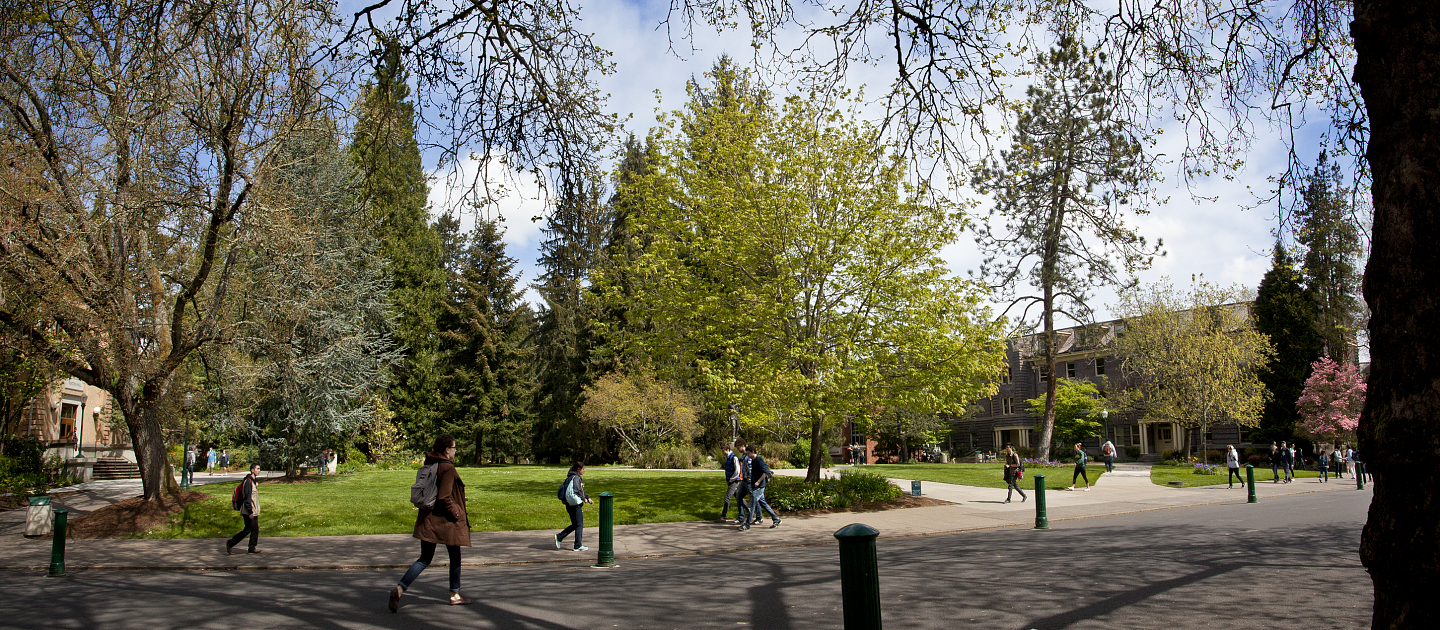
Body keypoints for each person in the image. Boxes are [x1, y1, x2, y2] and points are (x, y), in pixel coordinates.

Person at [389, 434, 473, 611]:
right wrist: (456, 512)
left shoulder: (431, 464)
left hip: (428, 518)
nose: (455, 451)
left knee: (424, 558)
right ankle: (455, 594)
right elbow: (444, 496)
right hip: (446, 521)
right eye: (454, 447)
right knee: (455, 556)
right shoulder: (447, 468)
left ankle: (399, 588)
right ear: (446, 450)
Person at [740, 444, 780, 530]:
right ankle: (776, 518)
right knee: (763, 504)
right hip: (755, 486)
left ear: (753, 452)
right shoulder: (754, 460)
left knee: (751, 505)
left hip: (759, 487)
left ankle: (747, 525)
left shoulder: (759, 460)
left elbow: (766, 472)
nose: (747, 455)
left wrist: (758, 481)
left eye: (748, 453)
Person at [555, 462, 593, 551]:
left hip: (569, 504)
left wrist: (587, 497)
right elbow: (577, 490)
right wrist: (584, 499)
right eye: (583, 469)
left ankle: (560, 537)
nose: (584, 471)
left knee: (575, 524)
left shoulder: (570, 477)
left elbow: (580, 491)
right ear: (578, 469)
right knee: (579, 524)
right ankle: (577, 545)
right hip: (575, 505)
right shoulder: (576, 478)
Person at [225, 464, 262, 555]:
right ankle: (231, 542)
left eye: (259, 469)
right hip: (248, 511)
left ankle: (252, 548)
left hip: (253, 511)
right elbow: (247, 498)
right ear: (252, 470)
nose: (259, 470)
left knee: (255, 530)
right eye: (257, 469)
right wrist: (250, 511)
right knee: (247, 529)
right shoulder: (248, 482)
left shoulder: (253, 481)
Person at [718, 443, 745, 523]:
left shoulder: (734, 458)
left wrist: (732, 479)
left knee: (727, 497)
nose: (722, 452)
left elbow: (737, 470)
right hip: (730, 480)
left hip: (734, 481)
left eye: (723, 451)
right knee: (738, 497)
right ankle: (750, 510)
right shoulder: (726, 457)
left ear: (728, 450)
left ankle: (723, 516)